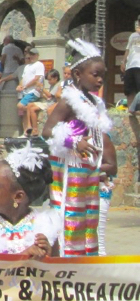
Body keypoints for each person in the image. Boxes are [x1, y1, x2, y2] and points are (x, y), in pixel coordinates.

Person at [43, 38, 116, 257]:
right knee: (70, 216)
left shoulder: (95, 103)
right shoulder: (68, 101)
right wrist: (74, 142)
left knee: (88, 218)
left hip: (88, 169)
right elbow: (47, 131)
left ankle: (86, 265)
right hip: (69, 169)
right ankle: (68, 264)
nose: (100, 80)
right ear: (77, 75)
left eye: (103, 75)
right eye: (95, 74)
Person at [0, 142, 61, 257]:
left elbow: (56, 271)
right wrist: (21, 257)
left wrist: (48, 257)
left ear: (18, 197)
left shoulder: (46, 226)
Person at [17, 47, 45, 135]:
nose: (31, 56)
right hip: (25, 92)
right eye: (30, 54)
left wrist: (25, 86)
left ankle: (30, 125)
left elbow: (36, 78)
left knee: (20, 105)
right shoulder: (27, 66)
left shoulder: (39, 64)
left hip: (33, 91)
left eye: (33, 54)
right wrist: (20, 86)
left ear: (37, 55)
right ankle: (26, 131)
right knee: (24, 110)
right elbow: (23, 78)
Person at [25, 68, 61, 136]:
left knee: (32, 109)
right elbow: (48, 97)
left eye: (50, 79)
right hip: (48, 102)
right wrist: (40, 92)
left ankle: (35, 129)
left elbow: (49, 95)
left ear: (56, 78)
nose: (49, 82)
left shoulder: (58, 85)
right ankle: (29, 126)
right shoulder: (52, 86)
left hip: (51, 104)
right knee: (29, 105)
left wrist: (41, 88)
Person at [121, 15, 140, 112]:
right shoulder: (133, 35)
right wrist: (123, 62)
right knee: (129, 90)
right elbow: (128, 49)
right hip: (130, 66)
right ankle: (130, 111)